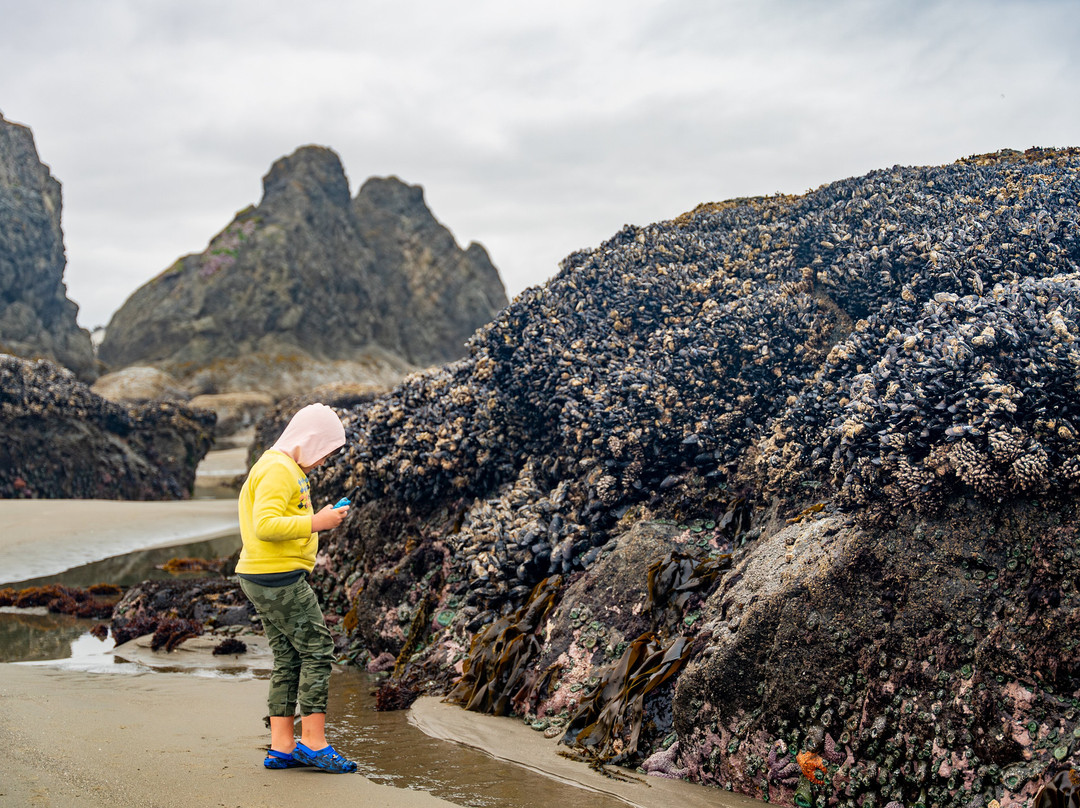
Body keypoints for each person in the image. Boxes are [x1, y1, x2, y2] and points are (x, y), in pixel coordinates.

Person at [235, 402, 357, 773]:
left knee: (288, 658)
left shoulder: (284, 468)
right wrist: (317, 522)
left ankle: (282, 746)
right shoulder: (277, 469)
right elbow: (266, 526)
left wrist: (317, 516)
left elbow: (282, 516)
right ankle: (314, 743)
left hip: (262, 575)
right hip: (278, 577)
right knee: (318, 650)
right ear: (308, 441)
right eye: (324, 452)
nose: (323, 462)